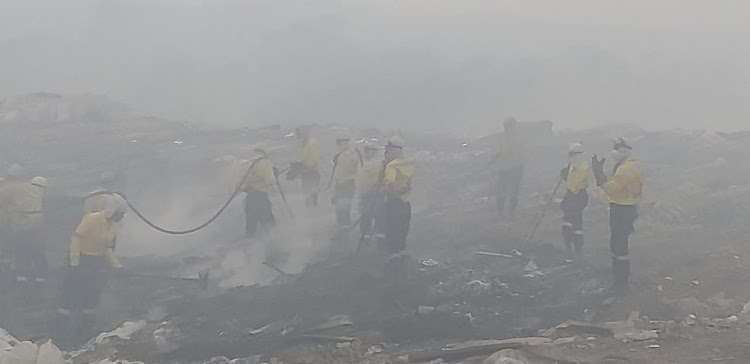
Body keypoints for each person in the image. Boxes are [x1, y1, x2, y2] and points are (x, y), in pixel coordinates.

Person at [56, 195, 126, 342]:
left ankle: (85, 329)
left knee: (92, 294)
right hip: (81, 258)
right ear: (113, 210)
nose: (122, 217)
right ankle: (61, 329)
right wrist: (75, 263)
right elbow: (76, 239)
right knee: (70, 294)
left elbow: (107, 248)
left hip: (96, 261)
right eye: (121, 213)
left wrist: (117, 266)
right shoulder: (92, 219)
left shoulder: (113, 226)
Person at [592, 137, 644, 295]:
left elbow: (611, 189)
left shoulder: (624, 169)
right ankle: (620, 280)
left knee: (618, 244)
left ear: (622, 151)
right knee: (620, 243)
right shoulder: (635, 166)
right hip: (629, 206)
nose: (613, 152)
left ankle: (620, 282)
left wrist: (599, 176)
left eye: (616, 148)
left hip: (621, 208)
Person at [0, 165, 46, 284]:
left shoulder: (7, 188)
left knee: (20, 247)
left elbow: (3, 208)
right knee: (36, 247)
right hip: (37, 220)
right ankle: (41, 274)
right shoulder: (30, 186)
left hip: (21, 221)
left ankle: (22, 274)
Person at [375, 136, 415, 255]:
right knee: (402, 229)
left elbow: (390, 183)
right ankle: (401, 252)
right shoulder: (409, 162)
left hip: (394, 202)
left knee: (392, 228)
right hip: (406, 202)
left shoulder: (391, 166)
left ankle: (392, 256)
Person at [232, 147, 277, 238]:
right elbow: (270, 181)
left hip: (250, 198)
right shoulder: (265, 162)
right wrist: (274, 174)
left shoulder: (244, 164)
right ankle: (274, 245)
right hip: (261, 197)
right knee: (270, 225)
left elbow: (238, 184)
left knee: (250, 226)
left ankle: (249, 247)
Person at [559, 143, 590, 263]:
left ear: (580, 155)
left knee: (574, 222)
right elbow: (570, 183)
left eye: (575, 154)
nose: (573, 157)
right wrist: (565, 174)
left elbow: (576, 185)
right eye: (571, 155)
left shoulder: (582, 167)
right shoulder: (570, 166)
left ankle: (576, 252)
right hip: (570, 195)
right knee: (568, 223)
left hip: (578, 196)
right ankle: (570, 250)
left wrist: (569, 172)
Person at [495, 117, 525, 218]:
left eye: (511, 126)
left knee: (514, 191)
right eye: (508, 126)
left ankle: (511, 213)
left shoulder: (519, 138)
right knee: (501, 191)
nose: (510, 128)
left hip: (516, 167)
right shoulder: (501, 138)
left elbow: (521, 153)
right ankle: (500, 213)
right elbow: (498, 151)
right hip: (503, 168)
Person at [356, 142, 384, 245]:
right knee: (365, 216)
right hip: (363, 193)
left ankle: (380, 239)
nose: (370, 153)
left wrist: (375, 190)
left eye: (373, 151)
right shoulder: (361, 163)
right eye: (368, 150)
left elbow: (378, 179)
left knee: (378, 215)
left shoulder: (377, 164)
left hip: (374, 193)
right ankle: (365, 237)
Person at [331, 135, 362, 227]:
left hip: (348, 183)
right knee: (338, 207)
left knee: (344, 207)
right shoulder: (340, 155)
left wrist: (347, 180)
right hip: (339, 183)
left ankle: (345, 226)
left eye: (343, 143)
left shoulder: (353, 154)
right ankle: (341, 225)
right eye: (339, 143)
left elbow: (357, 171)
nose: (341, 145)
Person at [290, 126, 320, 208]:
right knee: (307, 198)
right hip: (306, 175)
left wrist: (302, 166)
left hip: (311, 174)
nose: (298, 135)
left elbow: (314, 161)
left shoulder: (311, 143)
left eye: (299, 133)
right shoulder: (304, 144)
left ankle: (313, 215)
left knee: (311, 199)